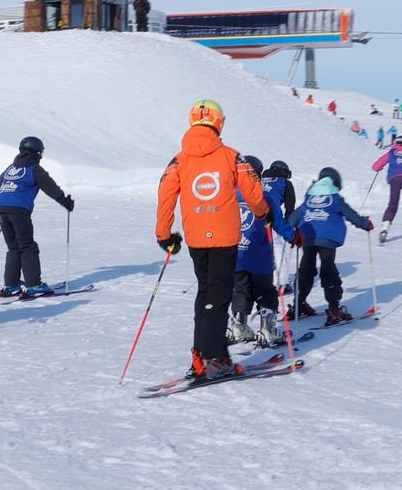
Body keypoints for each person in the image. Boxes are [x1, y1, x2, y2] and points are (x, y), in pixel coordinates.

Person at [155, 99, 267, 382]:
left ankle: (201, 355)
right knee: (218, 296)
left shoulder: (179, 159)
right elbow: (253, 192)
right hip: (224, 235)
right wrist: (263, 213)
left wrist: (164, 235)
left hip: (196, 237)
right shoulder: (231, 156)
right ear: (219, 122)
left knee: (205, 293)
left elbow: (166, 195)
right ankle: (215, 360)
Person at [286, 167, 373, 323]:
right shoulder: (336, 199)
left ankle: (298, 305)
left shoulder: (308, 199)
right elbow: (351, 215)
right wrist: (365, 224)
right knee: (328, 271)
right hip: (328, 239)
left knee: (306, 271)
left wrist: (292, 232)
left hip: (308, 237)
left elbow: (292, 219)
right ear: (335, 183)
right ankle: (334, 309)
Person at [0, 135, 75, 298]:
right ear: (36, 153)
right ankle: (34, 284)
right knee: (27, 245)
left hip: (0, 207)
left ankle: (11, 284)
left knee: (13, 246)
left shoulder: (10, 168)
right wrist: (65, 201)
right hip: (18, 210)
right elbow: (49, 186)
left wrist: (7, 203)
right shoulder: (34, 169)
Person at [228, 155, 297, 347]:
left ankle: (238, 326)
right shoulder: (264, 193)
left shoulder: (232, 193)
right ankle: (268, 330)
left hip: (237, 251)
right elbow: (280, 222)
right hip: (259, 253)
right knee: (266, 290)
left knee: (241, 288)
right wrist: (294, 236)